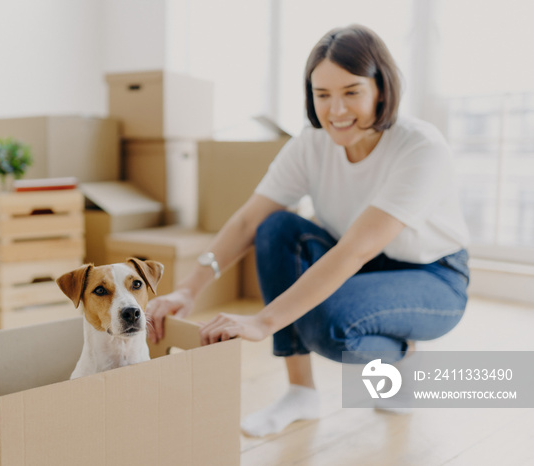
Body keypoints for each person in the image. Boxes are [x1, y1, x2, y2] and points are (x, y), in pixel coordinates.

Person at [146, 24, 470, 437]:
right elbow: (249, 220)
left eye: (352, 92)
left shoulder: (421, 147)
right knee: (275, 227)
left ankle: (401, 358)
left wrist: (263, 322)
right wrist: (189, 289)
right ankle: (301, 393)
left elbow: (356, 249)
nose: (336, 110)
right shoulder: (310, 144)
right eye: (323, 95)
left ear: (382, 90)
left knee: (329, 327)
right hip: (356, 264)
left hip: (432, 275)